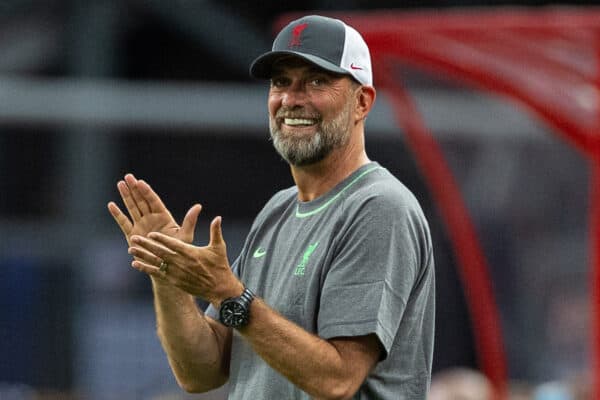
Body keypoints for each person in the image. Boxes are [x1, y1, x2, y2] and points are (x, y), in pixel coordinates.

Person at [108, 14, 435, 400]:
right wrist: (169, 278)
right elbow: (202, 372)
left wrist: (231, 296)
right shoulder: (279, 210)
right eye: (281, 82)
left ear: (362, 102)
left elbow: (338, 379)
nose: (292, 98)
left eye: (317, 81)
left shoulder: (379, 207)